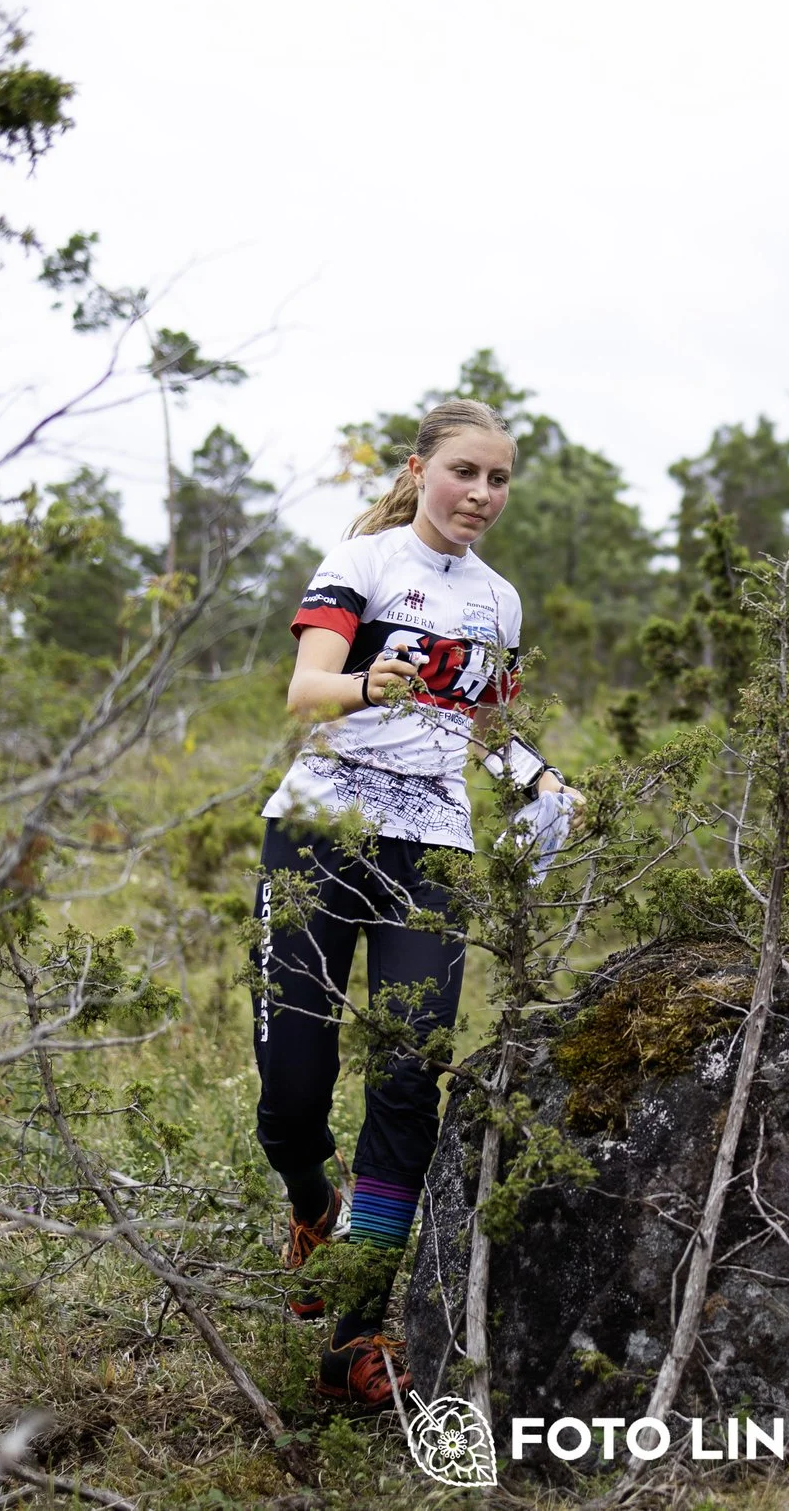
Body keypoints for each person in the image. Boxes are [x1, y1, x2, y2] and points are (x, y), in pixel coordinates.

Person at [253, 396, 561, 1411]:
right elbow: (305, 688)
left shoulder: (500, 601)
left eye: (498, 478)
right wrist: (367, 684)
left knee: (405, 1078)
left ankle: (355, 1328)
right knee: (292, 1091)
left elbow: (485, 726)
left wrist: (540, 777)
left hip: (431, 848)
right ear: (421, 468)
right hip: (318, 830)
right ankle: (311, 1202)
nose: (482, 493)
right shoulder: (364, 562)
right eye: (464, 471)